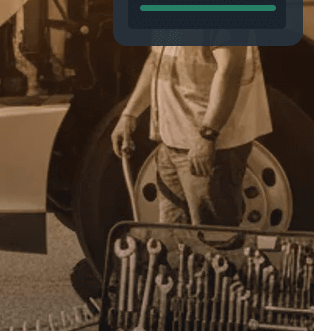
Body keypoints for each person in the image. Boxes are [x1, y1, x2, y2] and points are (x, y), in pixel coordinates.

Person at [110, 44, 273, 227]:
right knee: (173, 234)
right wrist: (130, 114)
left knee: (212, 236)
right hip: (172, 142)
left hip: (211, 146)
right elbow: (157, 61)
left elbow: (229, 70)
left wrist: (208, 135)